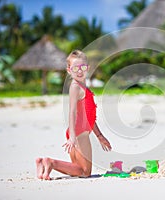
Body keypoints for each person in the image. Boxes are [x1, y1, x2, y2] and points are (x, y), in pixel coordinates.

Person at [36, 50, 112, 180]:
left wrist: (99, 136)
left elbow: (89, 116)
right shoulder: (75, 87)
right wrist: (72, 137)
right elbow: (71, 112)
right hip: (79, 133)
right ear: (69, 70)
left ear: (87, 68)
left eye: (82, 67)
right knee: (85, 172)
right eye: (75, 68)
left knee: (77, 168)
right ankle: (51, 162)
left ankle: (42, 164)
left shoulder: (84, 87)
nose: (79, 71)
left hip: (78, 132)